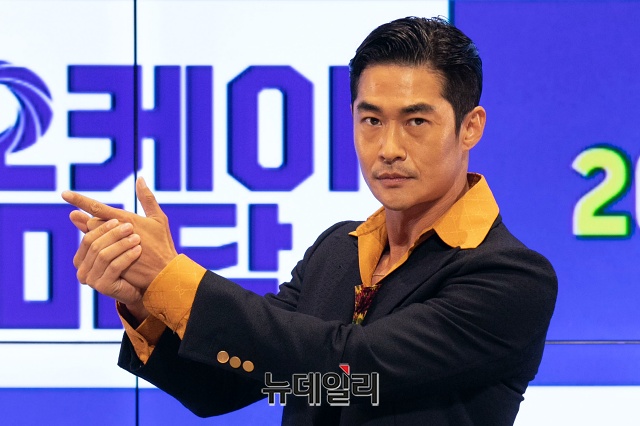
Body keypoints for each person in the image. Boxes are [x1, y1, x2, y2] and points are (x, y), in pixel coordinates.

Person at [62, 16, 557, 425]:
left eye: (416, 121)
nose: (388, 148)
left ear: (470, 127)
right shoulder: (337, 249)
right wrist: (143, 296)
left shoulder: (512, 277)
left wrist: (173, 277)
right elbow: (237, 382)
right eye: (371, 120)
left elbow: (353, 369)